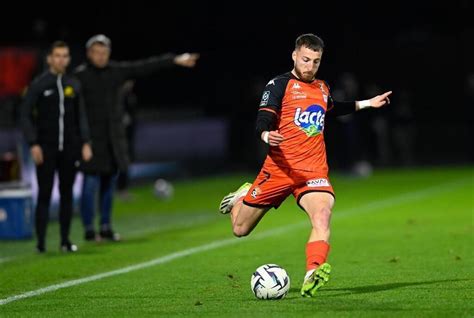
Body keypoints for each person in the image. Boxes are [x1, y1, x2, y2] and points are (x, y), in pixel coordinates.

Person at [219, 34, 391, 297]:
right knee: (240, 229)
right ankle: (242, 195)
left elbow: (333, 108)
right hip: (279, 169)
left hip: (313, 172)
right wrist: (265, 135)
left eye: (316, 61)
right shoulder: (279, 84)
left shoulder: (322, 87)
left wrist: (367, 103)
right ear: (294, 56)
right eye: (306, 59)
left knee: (322, 216)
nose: (310, 66)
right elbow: (264, 116)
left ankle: (313, 272)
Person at [75, 34, 199, 242]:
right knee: (89, 185)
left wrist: (174, 59)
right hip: (90, 141)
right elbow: (74, 112)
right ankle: (89, 229)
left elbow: (143, 66)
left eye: (104, 52)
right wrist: (82, 141)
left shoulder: (115, 72)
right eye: (96, 52)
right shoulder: (80, 76)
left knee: (108, 184)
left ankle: (105, 227)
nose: (100, 56)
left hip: (113, 140)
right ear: (89, 54)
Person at [20, 41, 92, 253]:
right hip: (46, 149)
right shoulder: (39, 85)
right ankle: (40, 243)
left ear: (69, 59)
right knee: (44, 193)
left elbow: (81, 116)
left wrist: (86, 143)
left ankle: (65, 240)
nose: (62, 60)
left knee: (67, 194)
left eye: (65, 56)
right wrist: (33, 143)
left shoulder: (74, 84)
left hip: (70, 149)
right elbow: (24, 116)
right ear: (49, 59)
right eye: (57, 56)